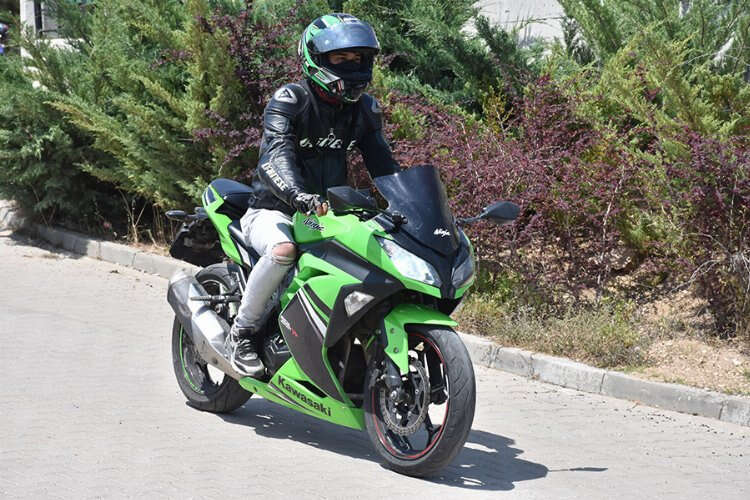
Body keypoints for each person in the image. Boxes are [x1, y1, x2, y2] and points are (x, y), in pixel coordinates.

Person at [227, 13, 400, 376]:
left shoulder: (364, 110)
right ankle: (242, 333)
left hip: (324, 216)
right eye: (340, 58)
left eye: (358, 58)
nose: (351, 66)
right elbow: (275, 155)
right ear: (316, 59)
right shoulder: (291, 99)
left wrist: (408, 205)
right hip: (276, 209)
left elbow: (384, 165)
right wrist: (297, 195)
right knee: (283, 251)